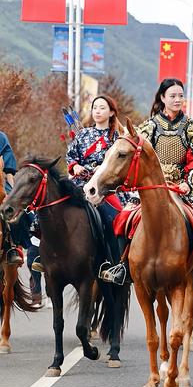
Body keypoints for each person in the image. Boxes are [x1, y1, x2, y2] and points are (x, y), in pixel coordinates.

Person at [102, 78, 193, 288]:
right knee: (124, 218)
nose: (177, 99)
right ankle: (123, 265)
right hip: (154, 183)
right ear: (162, 98)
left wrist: (189, 182)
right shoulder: (148, 127)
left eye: (180, 95)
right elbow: (137, 156)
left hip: (185, 183)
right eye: (173, 96)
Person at [65, 95, 125, 276]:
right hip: (80, 182)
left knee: (115, 218)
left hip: (106, 186)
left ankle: (116, 262)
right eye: (95, 108)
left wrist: (104, 170)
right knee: (52, 208)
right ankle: (45, 255)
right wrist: (75, 166)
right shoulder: (83, 134)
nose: (97, 111)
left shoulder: (117, 137)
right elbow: (71, 155)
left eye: (102, 108)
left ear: (112, 112)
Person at [0, 129, 29, 267]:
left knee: (14, 207)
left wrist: (10, 190)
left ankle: (13, 245)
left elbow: (9, 170)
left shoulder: (1, 137)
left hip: (0, 181)